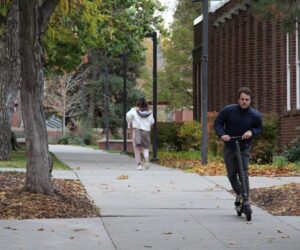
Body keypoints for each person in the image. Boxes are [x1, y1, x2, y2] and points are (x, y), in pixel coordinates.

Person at [214, 87, 263, 207]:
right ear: (238, 99)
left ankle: (245, 199)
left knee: (243, 172)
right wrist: (222, 135)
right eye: (242, 99)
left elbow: (259, 128)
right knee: (231, 174)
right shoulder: (228, 110)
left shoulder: (255, 115)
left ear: (250, 100)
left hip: (244, 146)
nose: (244, 101)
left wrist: (251, 132)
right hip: (230, 145)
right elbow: (218, 123)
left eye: (247, 99)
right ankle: (240, 193)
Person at [126, 98, 154, 170]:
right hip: (146, 131)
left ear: (137, 104)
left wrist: (130, 122)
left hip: (137, 131)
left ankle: (139, 165)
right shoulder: (149, 112)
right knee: (145, 147)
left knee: (137, 148)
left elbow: (128, 116)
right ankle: (146, 159)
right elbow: (152, 121)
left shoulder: (133, 110)